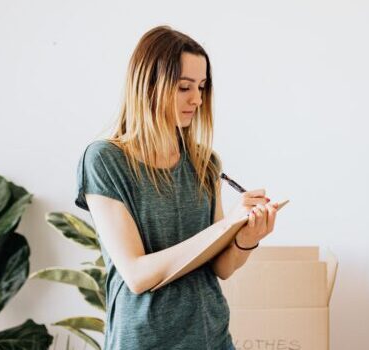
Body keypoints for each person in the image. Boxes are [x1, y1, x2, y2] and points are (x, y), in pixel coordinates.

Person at [74, 25, 278, 349]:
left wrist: (245, 238)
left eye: (201, 87)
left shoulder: (204, 162)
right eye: (184, 87)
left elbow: (221, 268)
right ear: (148, 85)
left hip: (212, 337)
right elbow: (137, 276)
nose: (197, 99)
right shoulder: (105, 160)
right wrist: (226, 225)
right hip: (143, 341)